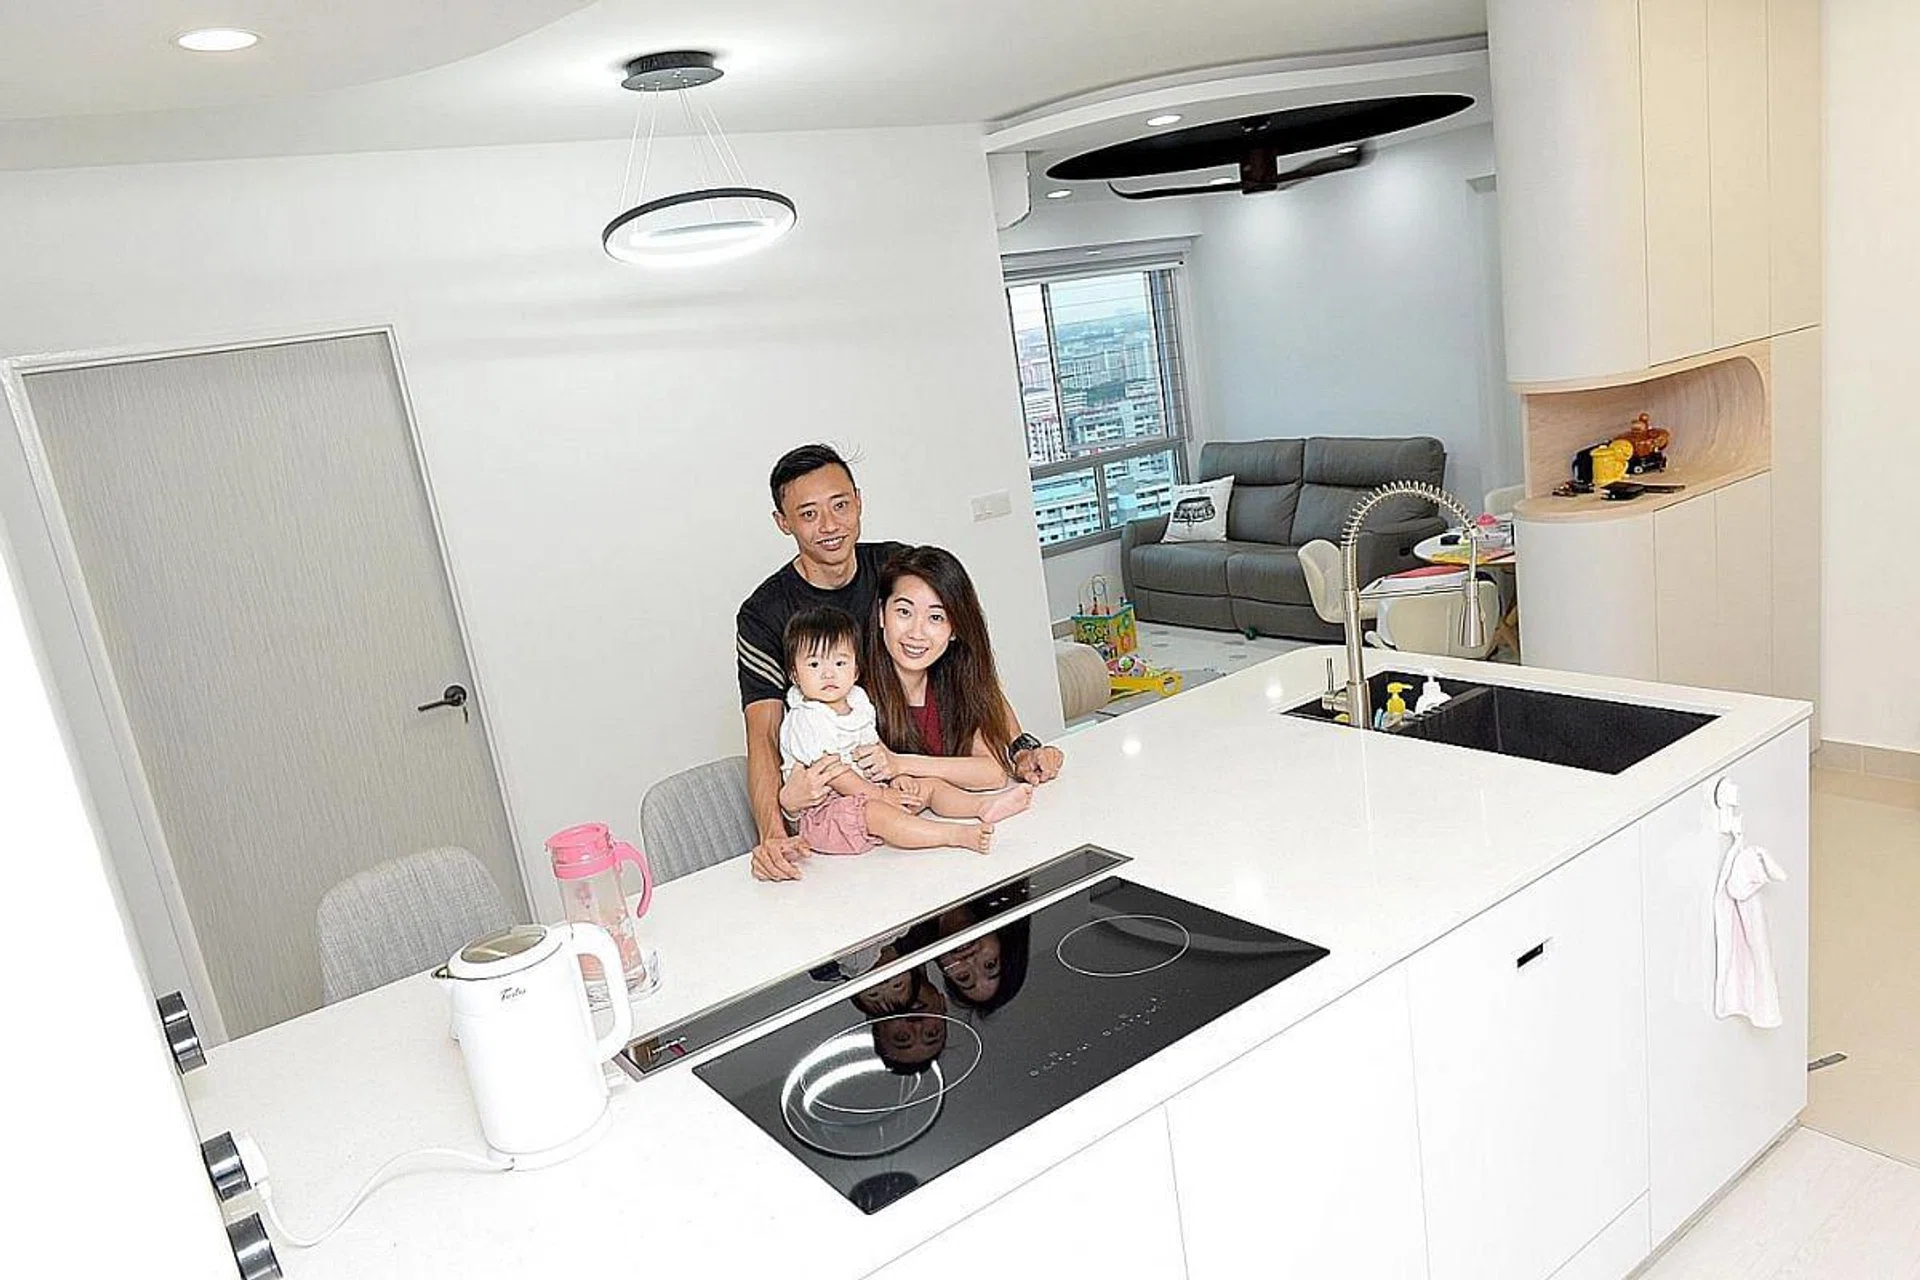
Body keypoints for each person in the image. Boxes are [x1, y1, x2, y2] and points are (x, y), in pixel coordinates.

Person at [737, 445, 1061, 881]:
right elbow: (762, 735)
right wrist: (774, 832)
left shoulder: (895, 568)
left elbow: (967, 667)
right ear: (783, 522)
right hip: (846, 805)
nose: (830, 525)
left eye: (840, 505)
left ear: (859, 502)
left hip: (914, 783)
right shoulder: (764, 613)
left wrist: (1018, 747)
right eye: (809, 514)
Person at [776, 606, 1032, 857]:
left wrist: (896, 778)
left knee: (928, 786)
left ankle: (983, 806)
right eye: (814, 664)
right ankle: (954, 835)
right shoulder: (806, 718)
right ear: (795, 675)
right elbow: (834, 774)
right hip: (825, 811)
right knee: (877, 813)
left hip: (868, 789)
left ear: (855, 671)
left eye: (840, 662)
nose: (828, 674)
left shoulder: (857, 702)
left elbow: (875, 749)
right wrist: (880, 795)